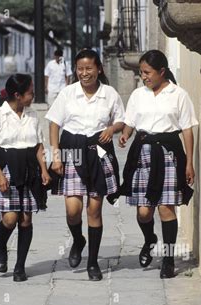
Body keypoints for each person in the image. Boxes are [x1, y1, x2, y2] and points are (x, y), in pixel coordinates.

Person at [45, 49, 125, 281]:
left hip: (98, 151)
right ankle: (78, 239)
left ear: (98, 68)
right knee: (73, 211)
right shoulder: (68, 93)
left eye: (89, 68)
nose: (84, 73)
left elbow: (122, 119)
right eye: (80, 68)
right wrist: (56, 155)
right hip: (72, 151)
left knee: (94, 209)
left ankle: (92, 263)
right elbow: (53, 124)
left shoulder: (109, 94)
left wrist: (112, 128)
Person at [118, 49, 199, 279]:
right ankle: (149, 239)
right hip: (142, 154)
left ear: (161, 71)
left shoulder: (178, 95)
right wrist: (125, 135)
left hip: (169, 154)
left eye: (147, 72)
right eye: (142, 72)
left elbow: (187, 129)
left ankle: (168, 260)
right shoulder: (138, 95)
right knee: (144, 212)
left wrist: (189, 163)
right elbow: (130, 122)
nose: (144, 77)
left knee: (166, 208)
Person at [0, 74, 51, 282]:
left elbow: (38, 146)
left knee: (26, 219)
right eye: (31, 93)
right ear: (18, 95)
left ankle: (20, 267)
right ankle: (1, 247)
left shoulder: (33, 115)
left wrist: (44, 170)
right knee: (10, 219)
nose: (34, 96)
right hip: (7, 170)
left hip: (29, 169)